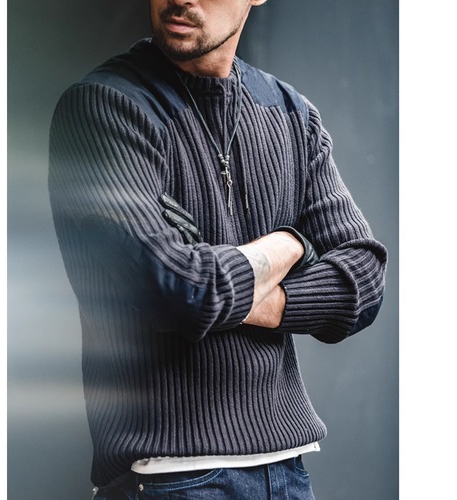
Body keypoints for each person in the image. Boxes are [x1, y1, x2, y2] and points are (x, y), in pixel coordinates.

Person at [48, 0, 388, 498]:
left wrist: (215, 284)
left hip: (287, 472)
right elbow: (177, 290)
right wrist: (292, 242)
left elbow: (363, 282)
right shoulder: (104, 107)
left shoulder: (291, 114)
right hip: (166, 477)